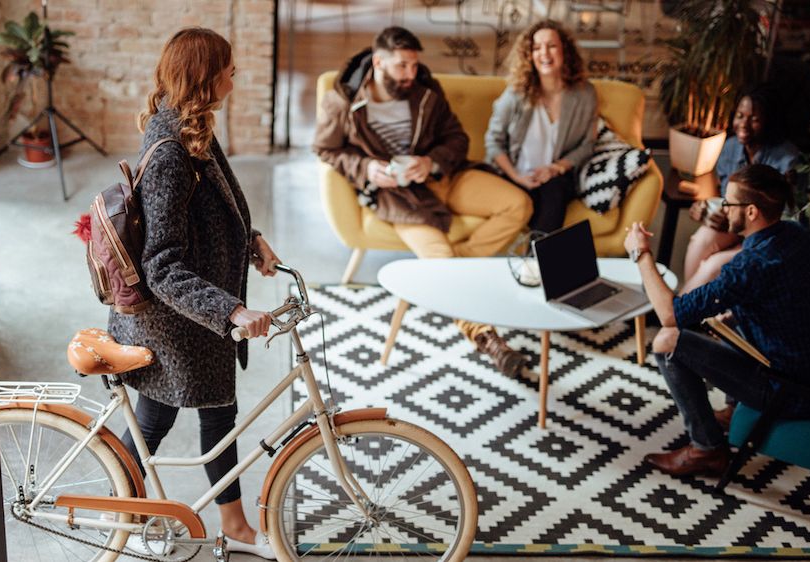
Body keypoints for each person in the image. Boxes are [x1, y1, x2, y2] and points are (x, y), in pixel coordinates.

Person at [108, 28, 278, 559]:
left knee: (217, 413)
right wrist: (231, 308)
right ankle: (129, 518)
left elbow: (206, 216)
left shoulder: (196, 130)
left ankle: (233, 524)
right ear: (206, 79)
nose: (236, 75)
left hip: (196, 320)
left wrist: (249, 241)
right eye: (228, 67)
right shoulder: (171, 154)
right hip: (175, 322)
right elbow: (160, 264)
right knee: (157, 418)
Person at [313, 26, 533, 377]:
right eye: (401, 66)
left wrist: (430, 162)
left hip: (443, 177)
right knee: (440, 257)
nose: (410, 74)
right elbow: (325, 149)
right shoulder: (343, 98)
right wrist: (366, 167)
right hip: (399, 196)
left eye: (414, 66)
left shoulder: (426, 90)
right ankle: (489, 340)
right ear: (379, 61)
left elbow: (456, 138)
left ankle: (448, 272)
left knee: (518, 204)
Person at [624, 164, 810, 476]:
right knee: (729, 320)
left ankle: (706, 448)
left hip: (789, 391)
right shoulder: (798, 235)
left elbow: (670, 315)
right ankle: (732, 409)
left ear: (751, 212)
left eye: (729, 202)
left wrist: (642, 254)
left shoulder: (754, 266)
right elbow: (783, 300)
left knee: (666, 341)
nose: (724, 208)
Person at [681, 84, 800, 294]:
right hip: (738, 227)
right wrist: (706, 207)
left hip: (768, 237)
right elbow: (723, 196)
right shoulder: (730, 147)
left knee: (713, 266)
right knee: (700, 241)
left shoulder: (787, 160)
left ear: (770, 121)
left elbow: (789, 219)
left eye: (754, 119)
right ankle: (692, 313)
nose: (743, 124)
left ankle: (681, 312)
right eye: (739, 115)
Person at [485, 19, 597, 233]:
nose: (544, 53)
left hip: (556, 177)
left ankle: (534, 262)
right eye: (536, 48)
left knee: (554, 191)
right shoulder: (515, 94)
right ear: (529, 55)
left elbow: (588, 145)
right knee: (527, 201)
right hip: (515, 176)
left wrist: (555, 169)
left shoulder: (585, 94)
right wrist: (517, 176)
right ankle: (538, 260)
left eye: (552, 46)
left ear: (565, 50)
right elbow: (493, 142)